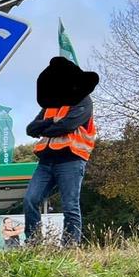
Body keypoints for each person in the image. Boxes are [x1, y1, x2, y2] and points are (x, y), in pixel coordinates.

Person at [24, 57, 99, 246]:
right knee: (30, 199)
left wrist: (45, 126)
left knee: (70, 206)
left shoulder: (84, 101)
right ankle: (34, 242)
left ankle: (70, 246)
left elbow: (68, 125)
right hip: (46, 162)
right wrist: (51, 123)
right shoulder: (51, 104)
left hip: (71, 160)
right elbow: (30, 128)